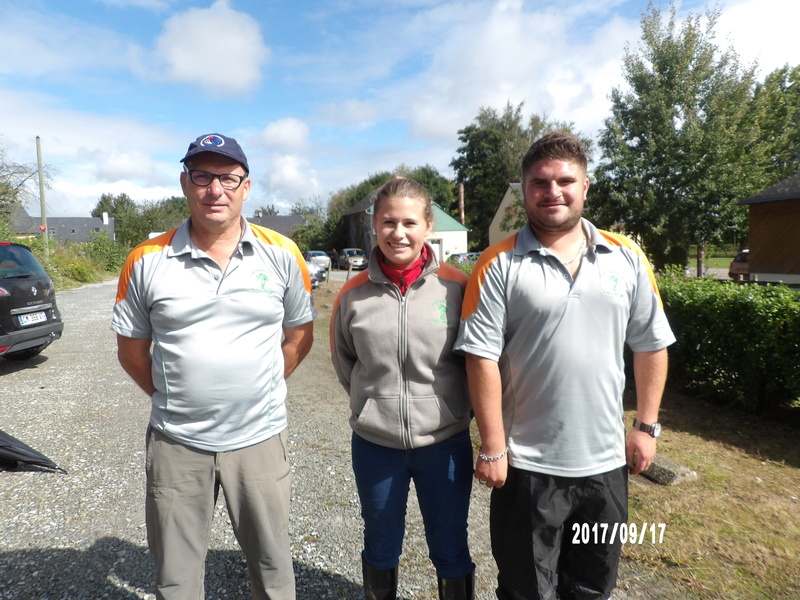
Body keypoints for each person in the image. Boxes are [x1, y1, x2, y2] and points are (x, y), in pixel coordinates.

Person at [454, 132, 675, 600]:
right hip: (528, 469)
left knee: (593, 586)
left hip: (605, 468)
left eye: (564, 181)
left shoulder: (627, 258)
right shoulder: (497, 264)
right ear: (524, 190)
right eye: (539, 182)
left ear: (586, 187)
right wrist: (493, 446)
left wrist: (647, 427)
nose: (552, 191)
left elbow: (652, 345)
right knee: (526, 589)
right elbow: (480, 358)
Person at [111, 133, 316, 600]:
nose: (215, 189)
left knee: (274, 575)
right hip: (177, 445)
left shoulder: (283, 254)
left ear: (247, 187)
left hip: (260, 440)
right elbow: (132, 353)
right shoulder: (145, 260)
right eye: (202, 176)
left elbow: (299, 337)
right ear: (184, 183)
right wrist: (180, 396)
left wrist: (256, 388)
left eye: (227, 177)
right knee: (177, 581)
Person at [331, 178, 476, 600]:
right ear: (374, 225)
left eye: (410, 222)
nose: (399, 232)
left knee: (451, 546)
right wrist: (375, 408)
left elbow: (474, 364)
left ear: (427, 225)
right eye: (389, 221)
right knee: (380, 544)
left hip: (445, 443)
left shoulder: (458, 287)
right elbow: (345, 364)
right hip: (376, 445)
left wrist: (449, 411)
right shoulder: (352, 295)